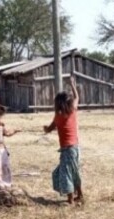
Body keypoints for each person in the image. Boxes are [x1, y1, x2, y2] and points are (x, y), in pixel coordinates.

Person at [44, 76, 83, 204]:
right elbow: (77, 97)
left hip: (67, 149)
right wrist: (72, 84)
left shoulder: (58, 116)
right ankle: (80, 195)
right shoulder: (73, 110)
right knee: (74, 171)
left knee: (66, 173)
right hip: (76, 147)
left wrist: (45, 129)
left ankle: (71, 199)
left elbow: (49, 128)